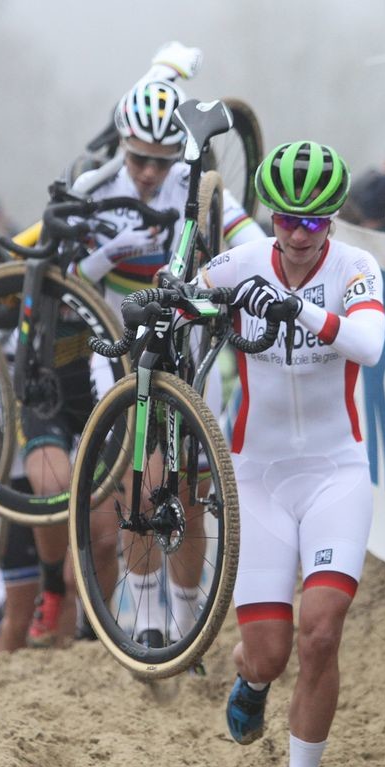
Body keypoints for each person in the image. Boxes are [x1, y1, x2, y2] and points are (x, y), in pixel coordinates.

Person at [22, 75, 267, 647]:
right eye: (138, 159)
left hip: (188, 346)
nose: (149, 173)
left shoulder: (194, 183)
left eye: (160, 161)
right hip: (116, 346)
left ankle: (189, 626)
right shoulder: (95, 185)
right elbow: (63, 286)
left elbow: (249, 238)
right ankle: (151, 625)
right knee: (137, 487)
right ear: (122, 146)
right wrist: (105, 256)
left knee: (183, 497)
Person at [201, 141, 385, 767]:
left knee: (321, 633)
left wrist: (297, 309)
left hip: (337, 472)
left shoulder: (356, 267)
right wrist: (169, 303)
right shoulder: (241, 263)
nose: (299, 235)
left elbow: (369, 345)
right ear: (272, 217)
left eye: (314, 223)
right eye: (286, 220)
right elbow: (187, 294)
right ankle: (249, 678)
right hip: (259, 476)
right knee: (272, 651)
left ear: (332, 221)